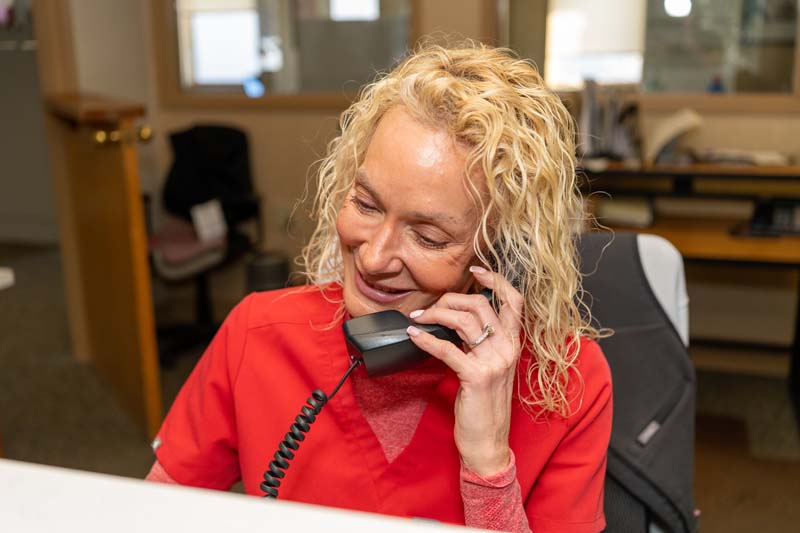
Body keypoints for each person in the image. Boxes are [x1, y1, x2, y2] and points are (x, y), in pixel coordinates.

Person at [147, 41, 612, 533]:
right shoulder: (258, 334)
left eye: (428, 236)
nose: (372, 257)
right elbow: (153, 516)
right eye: (366, 205)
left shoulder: (566, 386)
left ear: (502, 257)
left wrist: (489, 465)